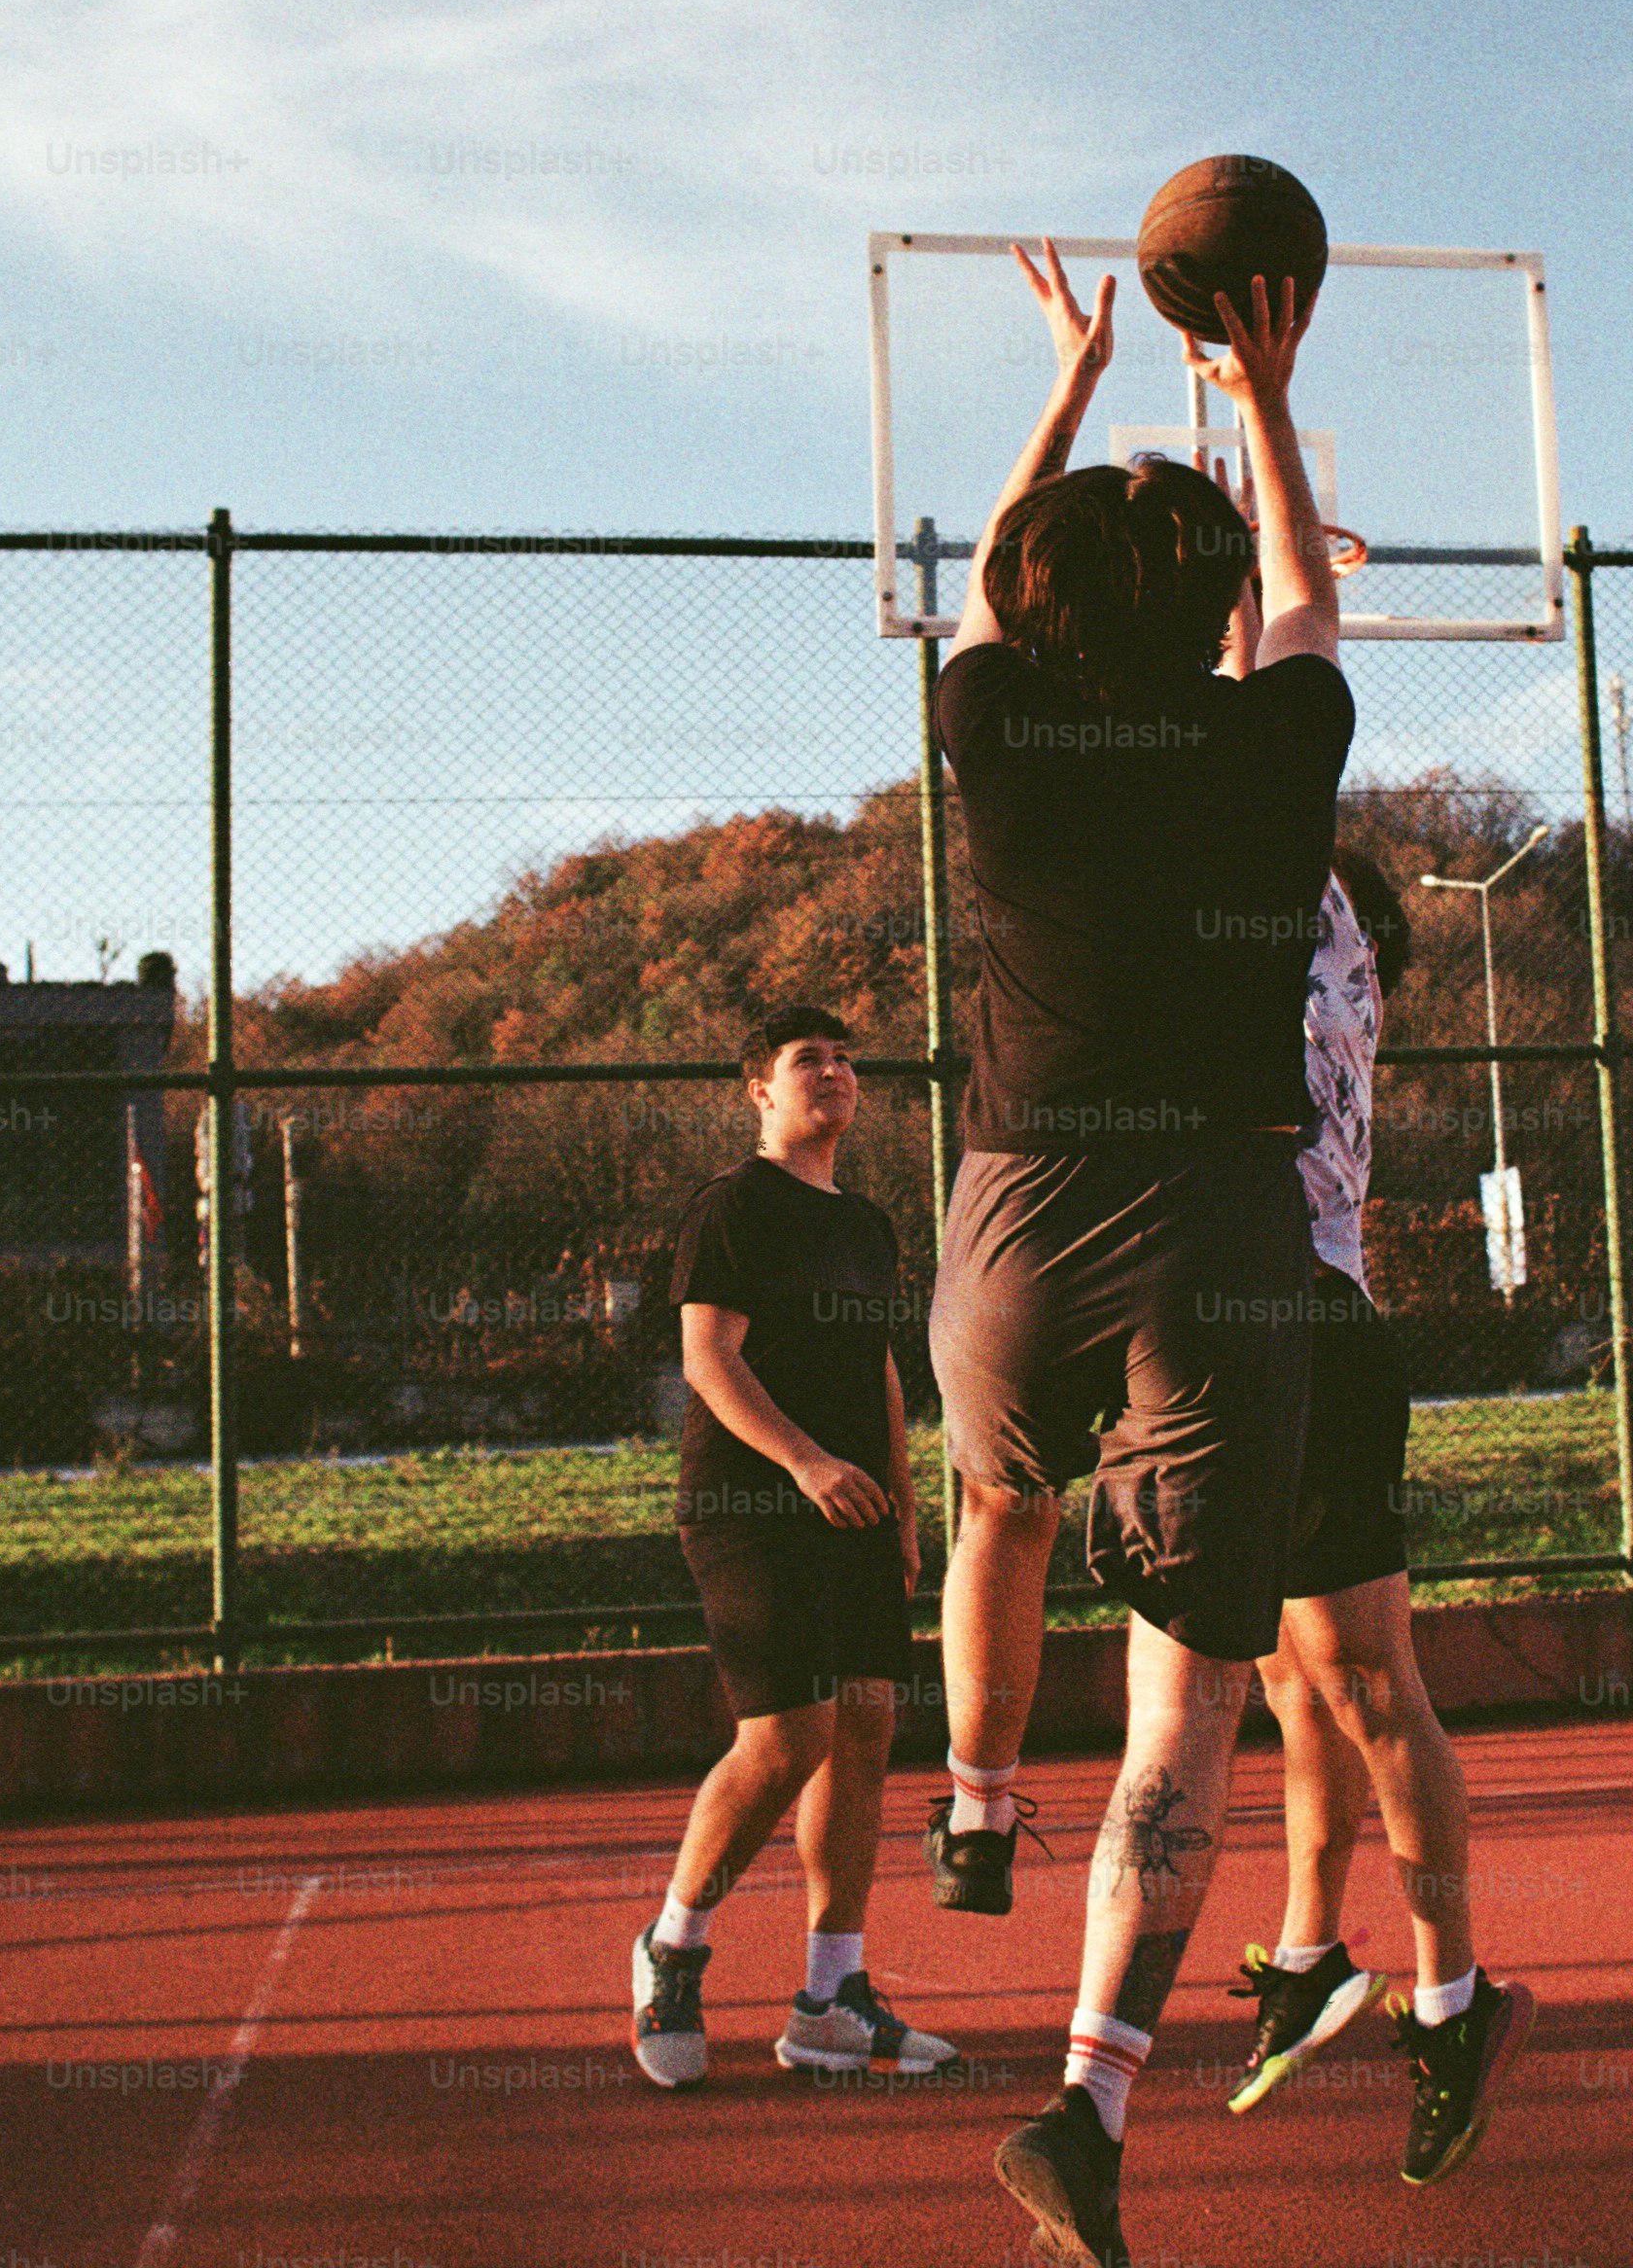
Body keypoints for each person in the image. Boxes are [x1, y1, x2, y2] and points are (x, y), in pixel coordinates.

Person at [922, 246, 1349, 2268]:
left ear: (1035, 608)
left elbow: (989, 583)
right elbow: (1308, 604)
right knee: (1189, 1710)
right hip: (1214, 1224)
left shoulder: (997, 740)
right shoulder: (1272, 755)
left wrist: (1076, 384)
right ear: (1218, 621)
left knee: (994, 1498)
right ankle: (1087, 2096)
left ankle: (976, 1791)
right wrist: (1255, 390)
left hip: (1008, 1220)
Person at [1224, 840, 1538, 2183]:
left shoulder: (1318, 952)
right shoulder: (1243, 957)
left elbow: (1276, 705)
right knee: (1291, 1683)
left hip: (1307, 1328)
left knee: (1364, 1679)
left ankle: (1455, 2004)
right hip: (1227, 1340)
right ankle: (1306, 1952)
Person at [628, 1006, 953, 2089]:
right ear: (759, 1089)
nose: (835, 1070)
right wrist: (806, 1463)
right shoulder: (732, 1205)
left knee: (863, 1725)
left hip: (858, 1509)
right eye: (808, 1058)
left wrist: (904, 1498)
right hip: (750, 1505)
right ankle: (673, 1947)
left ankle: (830, 1999)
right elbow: (710, 1359)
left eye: (847, 1057)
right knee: (787, 1735)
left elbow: (883, 1369)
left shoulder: (867, 1223)